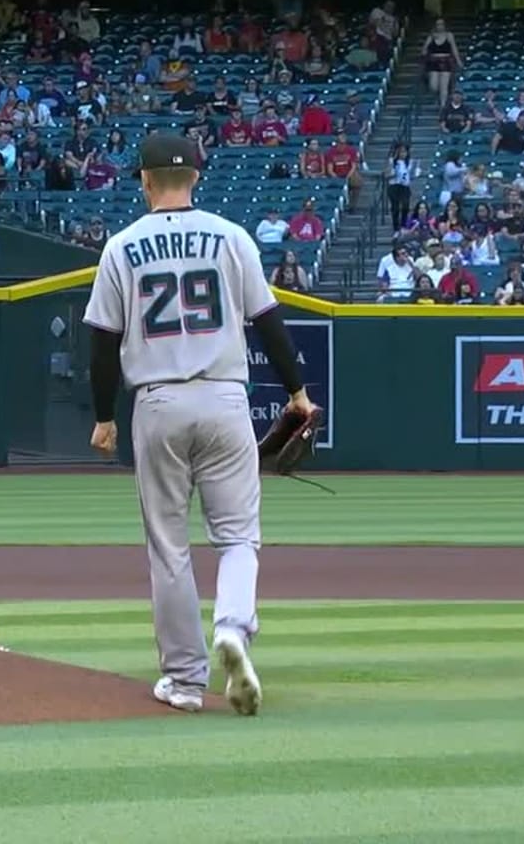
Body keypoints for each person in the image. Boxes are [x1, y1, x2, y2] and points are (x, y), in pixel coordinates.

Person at [82, 132, 312, 717]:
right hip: (226, 400)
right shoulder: (232, 238)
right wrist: (298, 393)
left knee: (169, 547)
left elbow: (103, 343)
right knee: (238, 537)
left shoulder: (121, 247)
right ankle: (234, 625)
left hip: (158, 404)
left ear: (144, 180)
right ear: (198, 177)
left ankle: (185, 681)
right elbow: (269, 322)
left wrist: (104, 416)